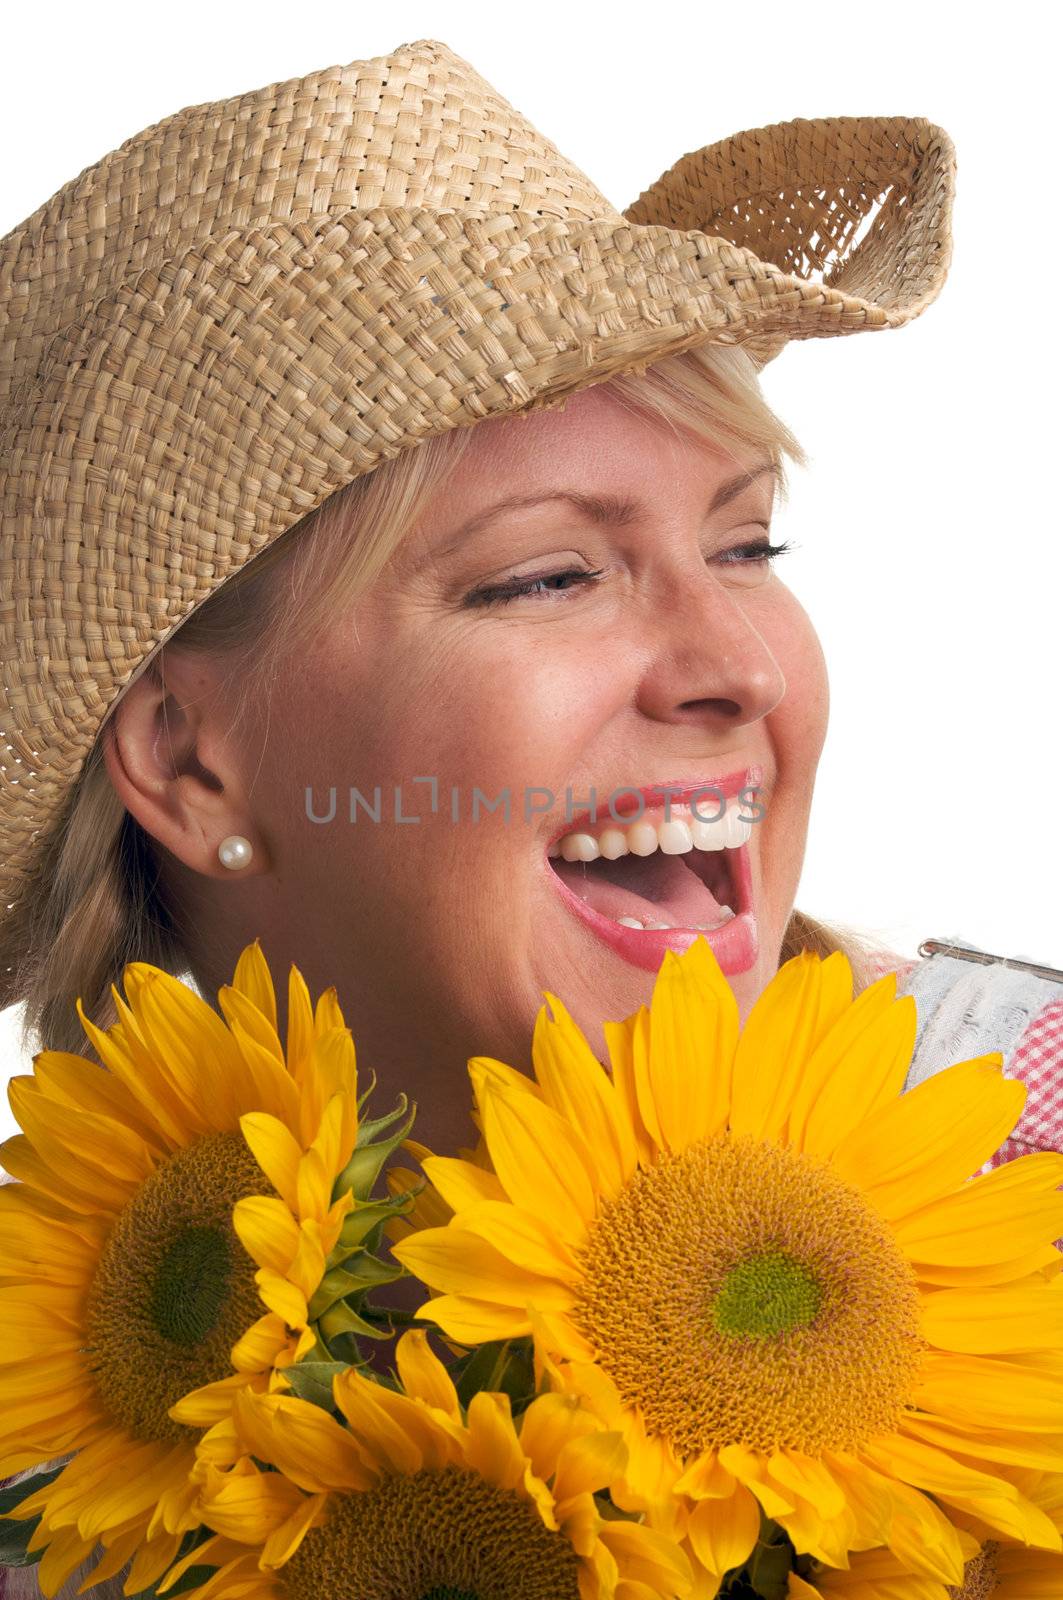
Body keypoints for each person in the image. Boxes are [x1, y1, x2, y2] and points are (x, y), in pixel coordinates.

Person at [1, 35, 1058, 1600]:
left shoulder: (1027, 1146)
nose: (736, 666)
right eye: (549, 574)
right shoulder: (62, 1468)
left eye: (751, 549)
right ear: (190, 763)